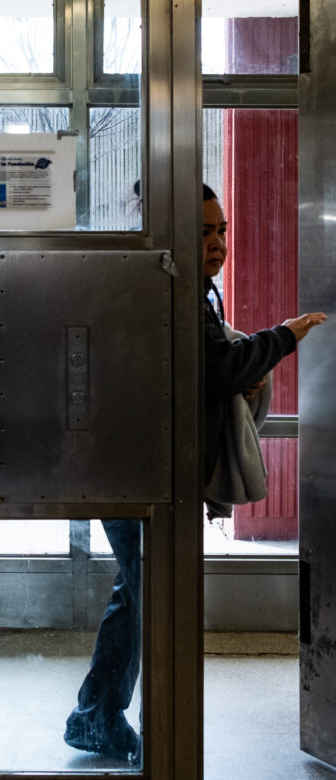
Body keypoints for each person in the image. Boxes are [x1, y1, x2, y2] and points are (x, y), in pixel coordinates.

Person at [62, 183, 328, 765]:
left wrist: (237, 373)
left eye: (221, 231)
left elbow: (202, 370)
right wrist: (285, 337)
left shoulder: (186, 288)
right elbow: (213, 367)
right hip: (136, 465)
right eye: (204, 232)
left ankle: (95, 714)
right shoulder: (172, 289)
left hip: (148, 464)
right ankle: (97, 715)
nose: (217, 244)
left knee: (137, 594)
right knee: (146, 595)